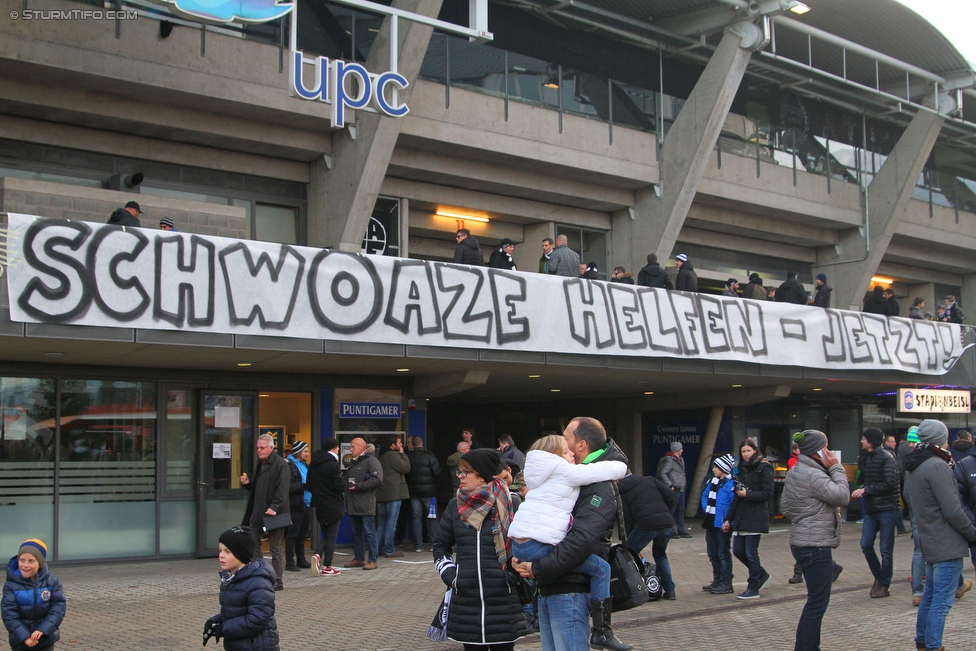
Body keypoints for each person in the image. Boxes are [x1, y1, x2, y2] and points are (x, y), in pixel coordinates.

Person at [512, 417, 633, 651]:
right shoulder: (565, 475)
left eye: (566, 439)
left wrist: (537, 567)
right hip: (551, 584)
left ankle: (602, 630)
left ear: (581, 445)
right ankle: (602, 631)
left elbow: (581, 540)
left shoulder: (598, 484)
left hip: (569, 590)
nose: (563, 446)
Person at [432, 448, 525, 651]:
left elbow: (524, 545)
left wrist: (512, 575)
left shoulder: (510, 502)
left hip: (502, 598)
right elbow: (440, 546)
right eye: (460, 472)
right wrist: (451, 575)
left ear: (482, 475)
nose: (460, 477)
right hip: (467, 600)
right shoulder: (455, 506)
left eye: (466, 472)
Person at [905, 419, 976, 651]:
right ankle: (934, 646)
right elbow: (953, 509)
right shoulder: (937, 465)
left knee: (930, 596)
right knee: (941, 602)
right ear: (940, 439)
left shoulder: (916, 464)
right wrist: (972, 533)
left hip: (930, 540)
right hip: (946, 541)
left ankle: (923, 641)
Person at [780, 430, 849, 651]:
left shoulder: (795, 471)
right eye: (826, 447)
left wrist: (804, 515)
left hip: (801, 541)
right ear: (818, 451)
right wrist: (836, 467)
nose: (828, 451)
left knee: (815, 600)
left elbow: (785, 507)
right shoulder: (814, 474)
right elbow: (842, 496)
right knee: (817, 604)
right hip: (815, 545)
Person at [204, 526, 279, 651]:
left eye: (227, 552)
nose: (221, 556)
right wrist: (215, 622)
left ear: (241, 553)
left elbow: (258, 619)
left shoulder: (257, 582)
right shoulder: (230, 578)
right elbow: (236, 610)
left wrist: (225, 628)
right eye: (220, 550)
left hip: (256, 646)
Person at [851, 427, 899, 598]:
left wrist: (866, 490)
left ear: (871, 441)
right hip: (872, 509)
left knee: (886, 549)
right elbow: (867, 480)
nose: (861, 441)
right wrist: (863, 489)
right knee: (865, 544)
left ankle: (884, 584)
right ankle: (878, 577)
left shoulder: (887, 457)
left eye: (864, 438)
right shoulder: (867, 457)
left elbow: (889, 483)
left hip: (887, 508)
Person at [724, 439, 774, 599]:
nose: (746, 454)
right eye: (743, 451)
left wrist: (748, 494)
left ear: (755, 451)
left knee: (751, 552)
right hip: (741, 516)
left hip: (755, 515)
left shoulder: (764, 468)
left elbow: (767, 493)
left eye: (748, 451)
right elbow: (736, 497)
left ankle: (753, 586)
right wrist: (728, 519)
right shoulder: (741, 470)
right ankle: (761, 574)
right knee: (738, 551)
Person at [240, 433, 289, 591]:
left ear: (271, 448)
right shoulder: (260, 463)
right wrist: (248, 484)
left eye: (262, 448)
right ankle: (261, 573)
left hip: (274, 513)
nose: (259, 451)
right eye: (257, 448)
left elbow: (282, 490)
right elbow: (260, 486)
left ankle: (278, 580)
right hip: (258, 511)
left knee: (275, 548)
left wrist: (274, 507)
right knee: (252, 542)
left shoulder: (280, 464)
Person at [619, 471, 676, 599]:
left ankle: (630, 591)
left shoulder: (622, 490)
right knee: (661, 555)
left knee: (625, 555)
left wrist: (632, 545)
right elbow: (669, 494)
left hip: (646, 523)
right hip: (666, 522)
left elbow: (627, 519)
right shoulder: (649, 479)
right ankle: (670, 591)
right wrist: (666, 512)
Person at [2, 539, 65, 651]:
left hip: (45, 639)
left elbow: (58, 609)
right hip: (21, 642)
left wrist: (42, 630)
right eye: (22, 560)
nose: (25, 565)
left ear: (40, 563)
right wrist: (25, 637)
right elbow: (9, 615)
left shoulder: (52, 583)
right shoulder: (10, 586)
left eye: (31, 561)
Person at [343, 437, 383, 570]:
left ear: (362, 447)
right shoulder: (353, 462)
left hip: (366, 503)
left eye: (353, 446)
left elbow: (377, 479)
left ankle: (373, 559)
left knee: (370, 532)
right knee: (357, 532)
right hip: (353, 502)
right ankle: (359, 558)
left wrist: (359, 486)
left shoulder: (371, 461)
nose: (351, 449)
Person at [307, 438, 345, 577]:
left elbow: (309, 485)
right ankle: (327, 565)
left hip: (319, 504)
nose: (339, 449)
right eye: (337, 447)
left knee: (326, 533)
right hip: (333, 504)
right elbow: (339, 486)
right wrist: (344, 482)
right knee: (332, 536)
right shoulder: (332, 465)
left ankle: (317, 556)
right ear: (333, 448)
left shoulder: (313, 464)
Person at [701, 454, 736, 595]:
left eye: (716, 467)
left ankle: (727, 582)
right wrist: (707, 509)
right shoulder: (712, 482)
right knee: (712, 553)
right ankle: (717, 579)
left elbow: (734, 505)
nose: (713, 469)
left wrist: (729, 521)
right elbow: (704, 496)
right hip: (711, 523)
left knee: (723, 553)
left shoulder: (731, 485)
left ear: (723, 468)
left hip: (723, 525)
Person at [376, 435, 410, 559]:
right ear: (392, 445)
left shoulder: (379, 454)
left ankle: (378, 548)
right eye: (399, 443)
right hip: (394, 493)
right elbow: (406, 467)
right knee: (391, 521)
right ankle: (389, 549)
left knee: (383, 522)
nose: (401, 445)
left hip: (383, 493)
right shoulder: (393, 455)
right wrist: (403, 454)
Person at [406, 436, 442, 553]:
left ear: (412, 444)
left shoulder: (409, 457)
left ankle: (418, 546)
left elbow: (406, 474)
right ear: (422, 443)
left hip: (414, 493)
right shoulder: (430, 456)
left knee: (416, 518)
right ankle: (433, 544)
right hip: (429, 492)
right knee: (432, 518)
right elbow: (437, 472)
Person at [283, 441, 312, 572]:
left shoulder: (305, 465)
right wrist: (304, 485)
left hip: (306, 504)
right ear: (299, 452)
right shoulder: (288, 465)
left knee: (302, 534)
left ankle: (301, 559)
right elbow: (287, 486)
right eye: (305, 451)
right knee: (292, 534)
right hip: (295, 504)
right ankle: (289, 561)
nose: (308, 454)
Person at [656, 442, 691, 538]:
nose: (682, 450)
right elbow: (663, 473)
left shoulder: (680, 459)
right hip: (674, 488)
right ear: (676, 450)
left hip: (681, 488)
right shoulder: (670, 460)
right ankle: (670, 531)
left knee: (681, 510)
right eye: (681, 449)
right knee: (672, 510)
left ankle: (681, 530)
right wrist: (669, 484)